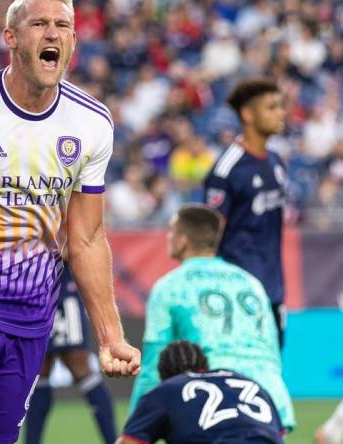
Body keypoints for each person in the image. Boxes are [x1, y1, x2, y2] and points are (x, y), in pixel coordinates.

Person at [0, 0, 141, 443]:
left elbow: (88, 239)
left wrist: (111, 337)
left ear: (73, 39)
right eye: (39, 24)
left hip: (33, 313)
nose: (52, 33)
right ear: (11, 38)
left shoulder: (92, 123)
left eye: (63, 25)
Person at [128, 203, 295, 430]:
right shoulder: (251, 283)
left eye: (171, 232)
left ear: (182, 240)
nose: (168, 237)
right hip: (270, 402)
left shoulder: (170, 287)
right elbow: (271, 352)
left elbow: (153, 364)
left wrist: (135, 423)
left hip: (216, 402)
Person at [203, 78, 289, 347]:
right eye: (272, 107)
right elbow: (208, 236)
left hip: (274, 289)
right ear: (248, 114)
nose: (281, 113)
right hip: (238, 293)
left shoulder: (275, 162)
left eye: (280, 106)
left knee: (272, 370)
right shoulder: (226, 169)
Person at [119, 341, 285, 444]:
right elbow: (279, 435)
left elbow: (130, 442)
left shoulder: (166, 390)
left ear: (164, 376)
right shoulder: (249, 382)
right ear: (204, 366)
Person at [24, 263, 117, 444]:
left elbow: (73, 245)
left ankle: (113, 440)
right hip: (34, 293)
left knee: (79, 365)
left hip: (62, 293)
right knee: (39, 370)